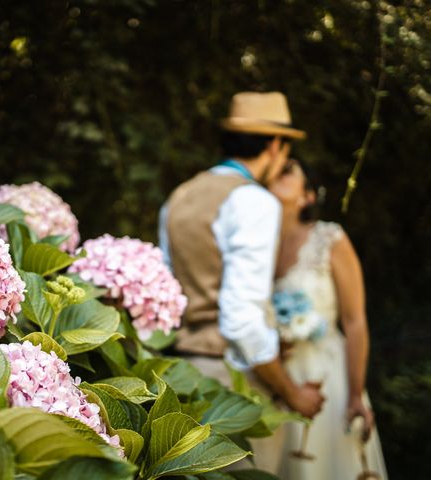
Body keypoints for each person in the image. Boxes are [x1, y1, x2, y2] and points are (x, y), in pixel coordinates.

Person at [159, 92, 324, 472]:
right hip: (230, 384)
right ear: (275, 145)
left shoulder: (180, 196)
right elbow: (241, 319)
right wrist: (291, 391)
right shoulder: (253, 201)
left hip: (175, 374)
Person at [270, 158, 388, 479]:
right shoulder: (256, 246)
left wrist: (354, 393)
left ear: (308, 195)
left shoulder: (329, 239)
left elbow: (354, 321)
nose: (275, 170)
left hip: (329, 376)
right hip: (276, 378)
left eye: (287, 170)